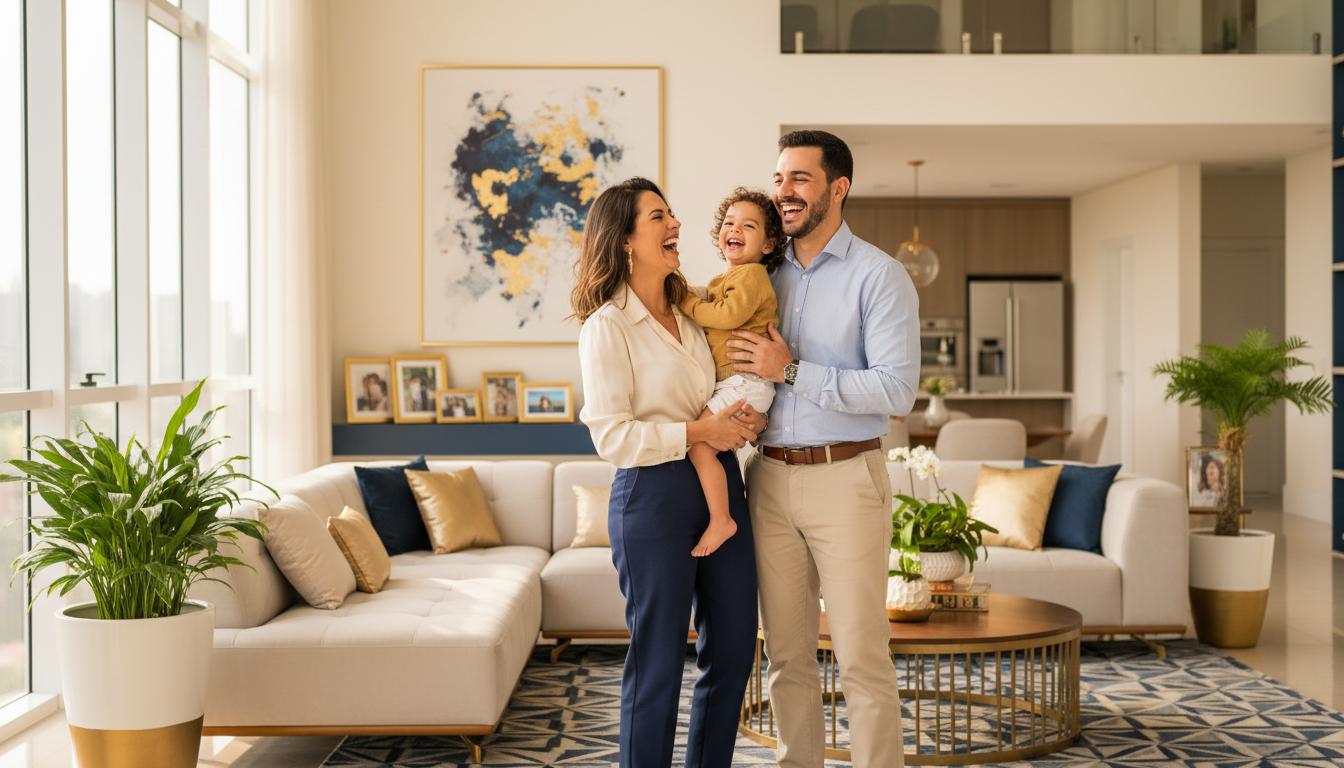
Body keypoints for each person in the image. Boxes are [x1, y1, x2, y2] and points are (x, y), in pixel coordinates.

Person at [729, 130, 920, 768]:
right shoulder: (761, 274)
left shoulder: (879, 275)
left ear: (837, 188)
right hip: (770, 481)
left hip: (847, 480)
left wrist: (793, 370)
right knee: (786, 655)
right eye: (780, 178)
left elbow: (897, 390)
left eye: (800, 180)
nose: (783, 191)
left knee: (862, 655)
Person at [573, 177, 767, 768]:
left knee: (733, 650)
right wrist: (698, 434)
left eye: (672, 213)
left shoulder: (692, 315)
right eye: (658, 217)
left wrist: (742, 423)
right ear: (626, 239)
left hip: (721, 490)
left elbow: (725, 393)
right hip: (652, 497)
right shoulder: (606, 325)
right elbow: (613, 436)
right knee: (657, 661)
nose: (674, 224)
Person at [679, 188, 783, 557]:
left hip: (748, 382)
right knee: (706, 445)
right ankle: (720, 515)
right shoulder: (729, 276)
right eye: (728, 222)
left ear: (769, 244)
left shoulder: (752, 275)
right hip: (740, 382)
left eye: (748, 225)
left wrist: (689, 303)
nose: (734, 229)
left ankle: (721, 519)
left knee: (699, 446)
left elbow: (727, 316)